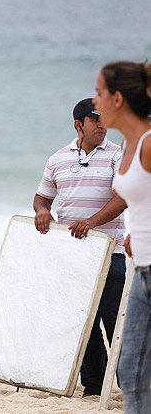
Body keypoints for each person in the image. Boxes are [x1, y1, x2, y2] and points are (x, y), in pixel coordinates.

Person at [33, 98, 127, 397]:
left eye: (105, 119)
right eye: (95, 120)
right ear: (79, 124)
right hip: (71, 253)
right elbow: (42, 197)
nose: (102, 125)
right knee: (83, 322)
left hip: (110, 250)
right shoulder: (57, 158)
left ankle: (130, 384)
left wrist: (92, 221)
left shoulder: (117, 155)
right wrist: (42, 212)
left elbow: (122, 197)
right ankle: (94, 386)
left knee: (114, 321)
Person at [92, 60, 151, 413]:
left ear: (117, 99)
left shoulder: (147, 143)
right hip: (142, 270)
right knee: (130, 371)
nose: (95, 103)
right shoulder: (127, 147)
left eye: (99, 93)